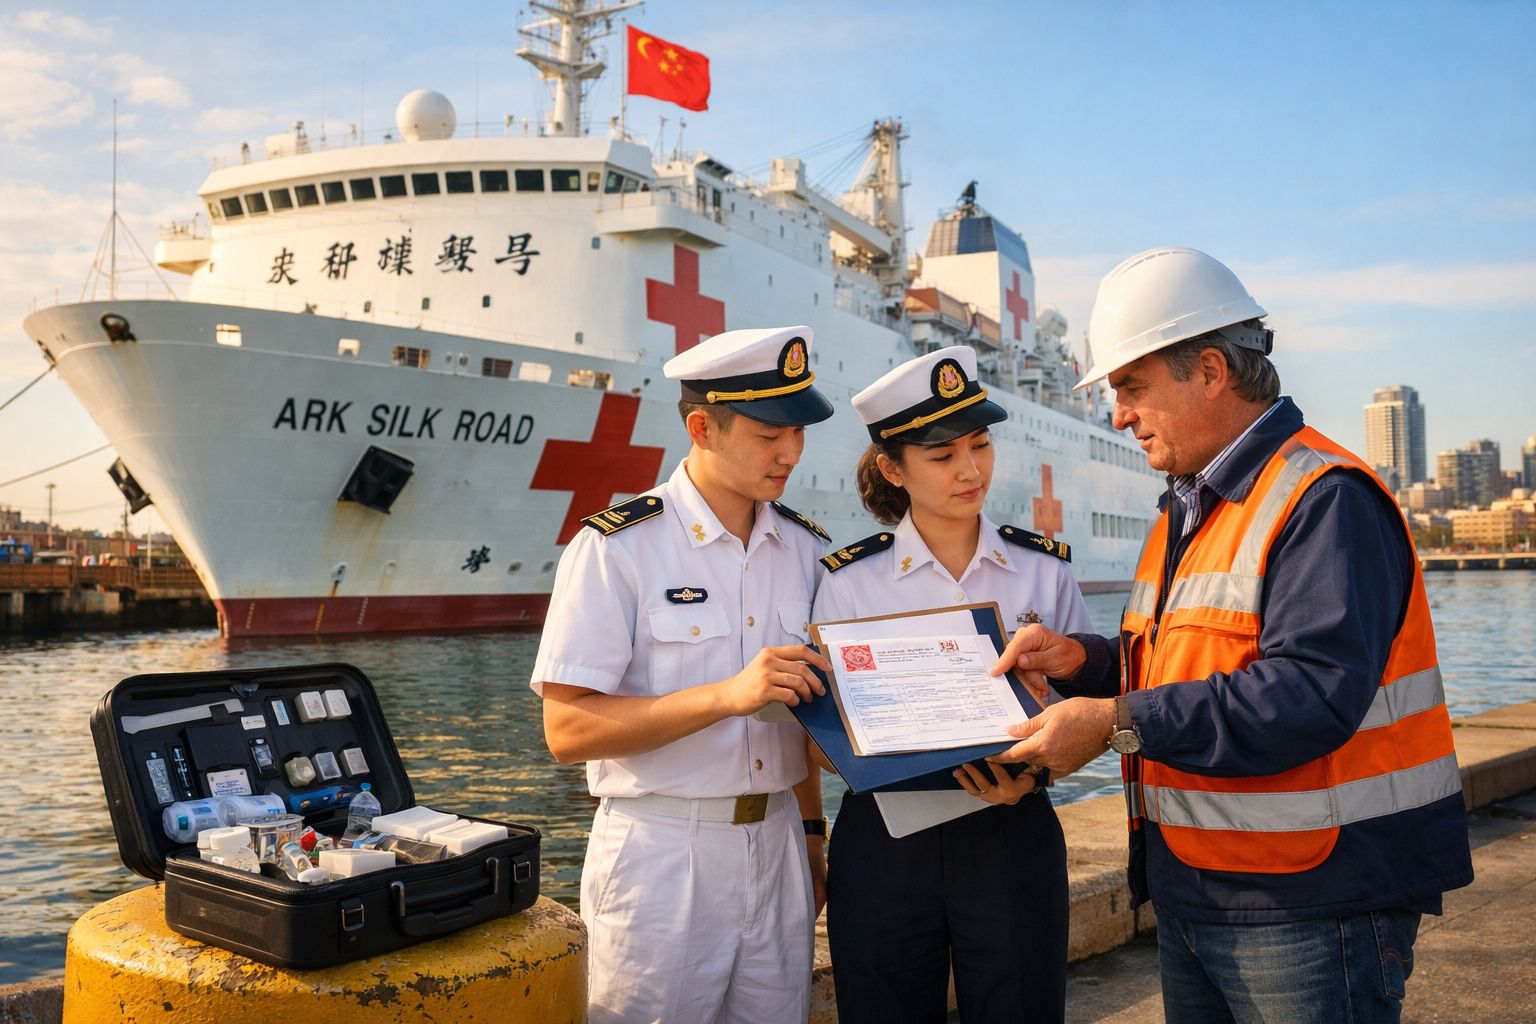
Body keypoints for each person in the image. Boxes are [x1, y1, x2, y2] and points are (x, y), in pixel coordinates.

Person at [990, 247, 1474, 1024]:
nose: (1119, 416)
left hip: (1312, 903)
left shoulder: (1324, 499)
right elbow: (1186, 663)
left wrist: (1112, 723)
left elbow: (1309, 694)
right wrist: (1085, 663)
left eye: (1131, 387)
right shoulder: (1192, 504)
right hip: (1204, 888)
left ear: (1211, 371)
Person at [531, 325, 836, 1024]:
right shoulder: (617, 548)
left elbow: (803, 715)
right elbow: (567, 729)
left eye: (798, 431)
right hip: (662, 854)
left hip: (779, 842)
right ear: (702, 428)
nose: (790, 452)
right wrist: (727, 696)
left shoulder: (806, 550)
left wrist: (812, 838)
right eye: (769, 434)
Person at [813, 346, 1092, 1023]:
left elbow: (1085, 707)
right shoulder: (849, 582)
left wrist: (1036, 774)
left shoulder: (1043, 571)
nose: (971, 471)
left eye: (980, 445)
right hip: (886, 838)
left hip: (1012, 827)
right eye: (942, 456)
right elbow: (823, 738)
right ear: (892, 468)